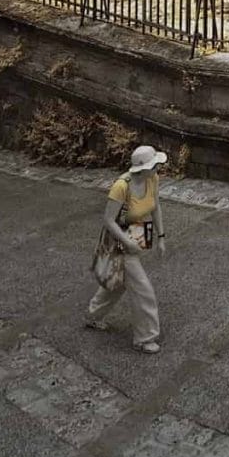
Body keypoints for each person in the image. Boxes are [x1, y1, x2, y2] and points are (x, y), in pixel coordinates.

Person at [85, 142, 168, 350]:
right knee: (143, 289)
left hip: (136, 234)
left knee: (118, 282)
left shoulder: (153, 179)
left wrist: (162, 237)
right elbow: (108, 220)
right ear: (144, 168)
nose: (158, 168)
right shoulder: (122, 186)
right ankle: (145, 338)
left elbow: (156, 207)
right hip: (118, 240)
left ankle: (92, 314)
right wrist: (127, 241)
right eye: (155, 165)